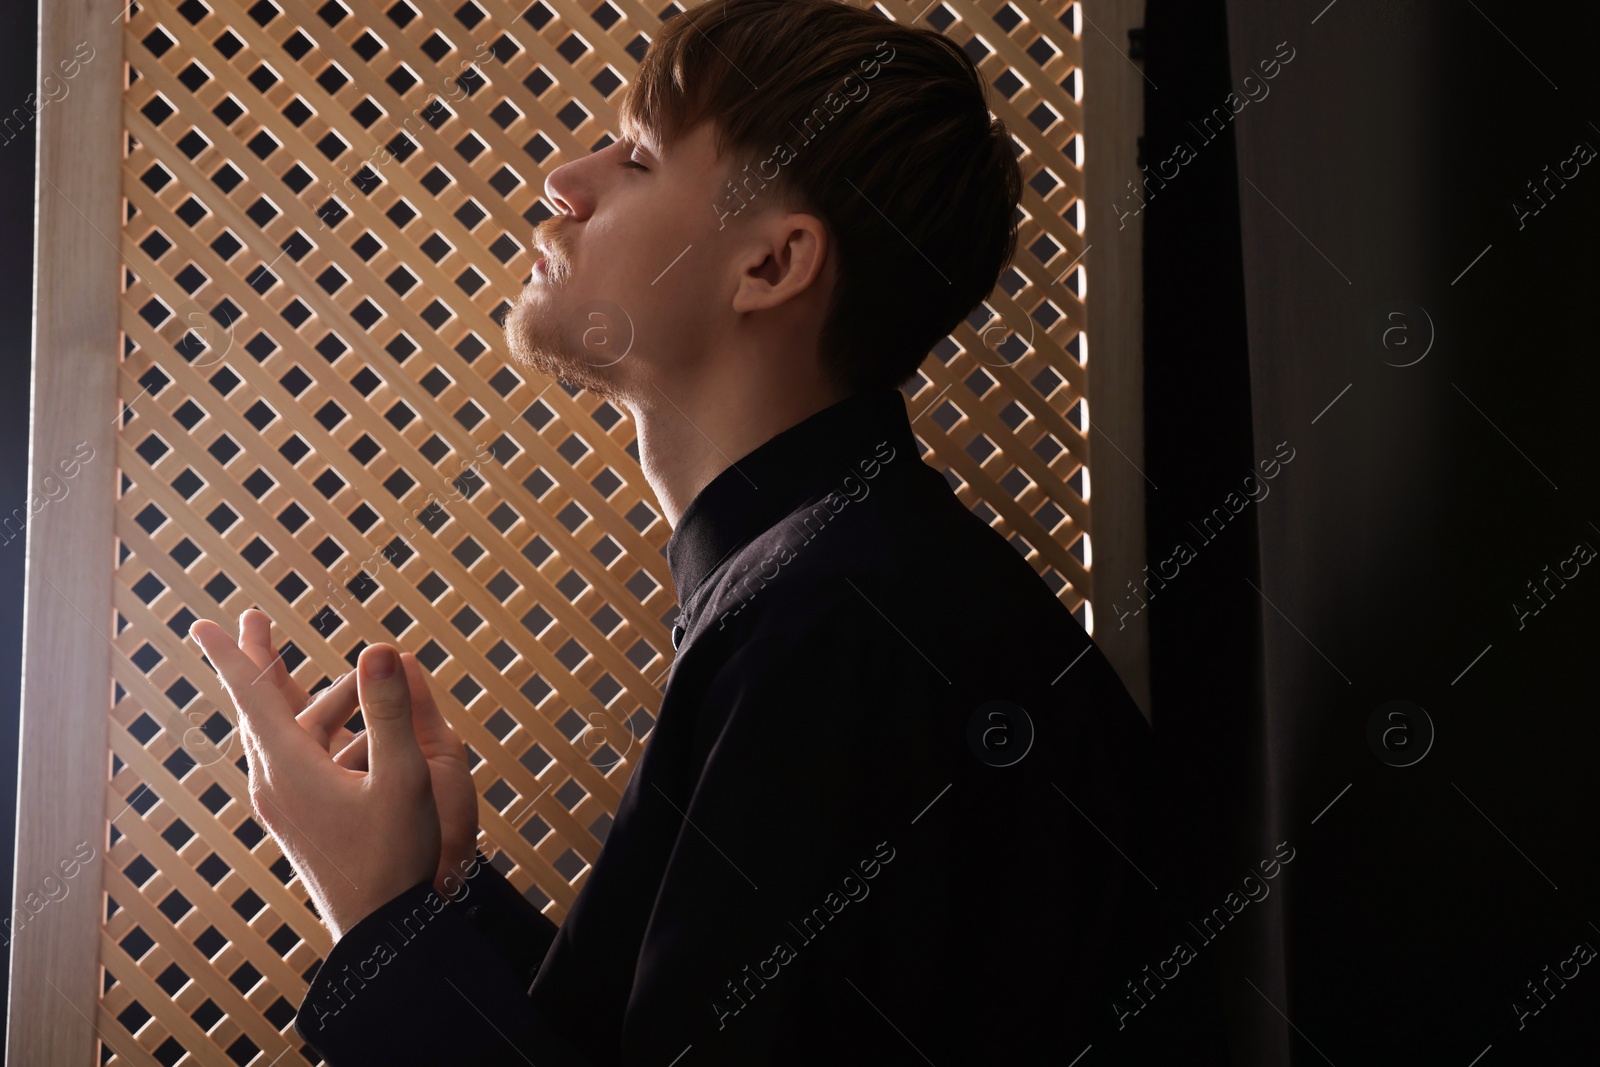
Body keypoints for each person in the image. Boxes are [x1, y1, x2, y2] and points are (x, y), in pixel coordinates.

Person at [189, 0, 1173, 1062]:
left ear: (771, 265)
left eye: (641, 158)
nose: (564, 179)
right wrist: (439, 897)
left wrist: (377, 919)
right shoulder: (833, 589)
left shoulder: (843, 630)